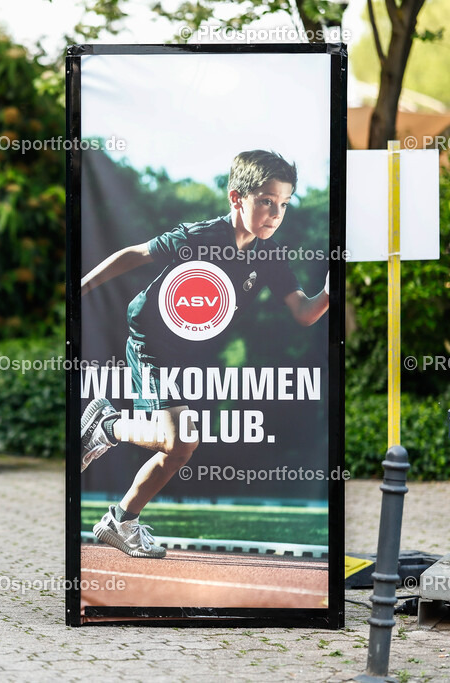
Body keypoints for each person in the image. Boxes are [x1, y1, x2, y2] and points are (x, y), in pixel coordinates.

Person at [80, 150, 330, 558]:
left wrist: (329, 294)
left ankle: (121, 520)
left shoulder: (269, 255)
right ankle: (107, 428)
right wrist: (80, 290)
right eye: (266, 201)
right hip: (151, 340)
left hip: (189, 355)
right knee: (178, 439)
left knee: (181, 447)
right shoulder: (200, 236)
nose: (275, 213)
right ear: (237, 198)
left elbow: (304, 312)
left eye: (284, 203)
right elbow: (134, 254)